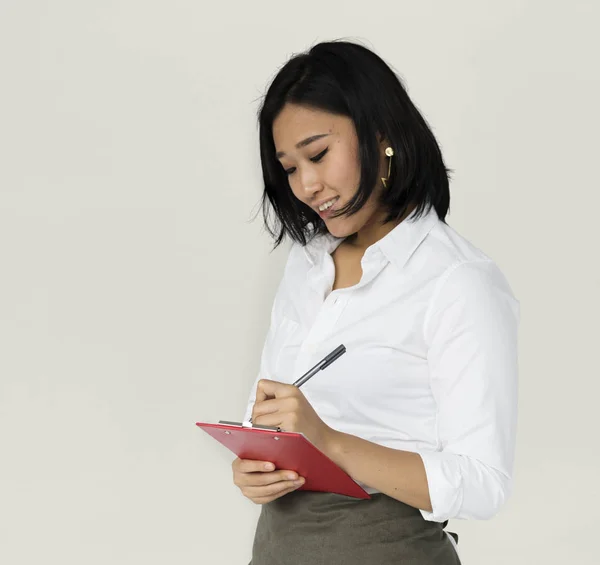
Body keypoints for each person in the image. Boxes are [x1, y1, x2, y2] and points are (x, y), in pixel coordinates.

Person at [232, 40, 519, 565]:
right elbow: (273, 417)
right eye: (290, 168)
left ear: (381, 136)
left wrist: (330, 442)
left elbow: (483, 483)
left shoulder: (457, 281)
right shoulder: (306, 265)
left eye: (317, 155)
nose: (307, 186)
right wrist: (255, 464)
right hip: (278, 548)